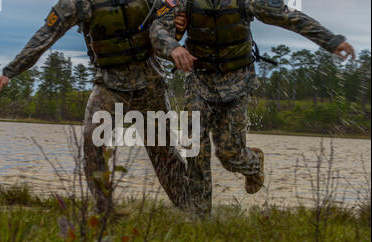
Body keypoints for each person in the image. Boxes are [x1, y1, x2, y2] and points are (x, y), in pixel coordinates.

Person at [0, 0, 197, 213]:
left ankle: (192, 212)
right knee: (91, 137)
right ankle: (104, 211)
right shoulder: (80, 3)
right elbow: (46, 34)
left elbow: (168, 24)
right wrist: (9, 72)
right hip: (109, 84)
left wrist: (178, 30)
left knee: (164, 152)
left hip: (149, 81)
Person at [151, 0, 355, 214]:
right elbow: (158, 29)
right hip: (200, 81)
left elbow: (290, 18)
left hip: (237, 83)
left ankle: (254, 163)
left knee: (230, 155)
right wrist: (173, 47)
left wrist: (331, 41)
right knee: (195, 146)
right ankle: (200, 217)